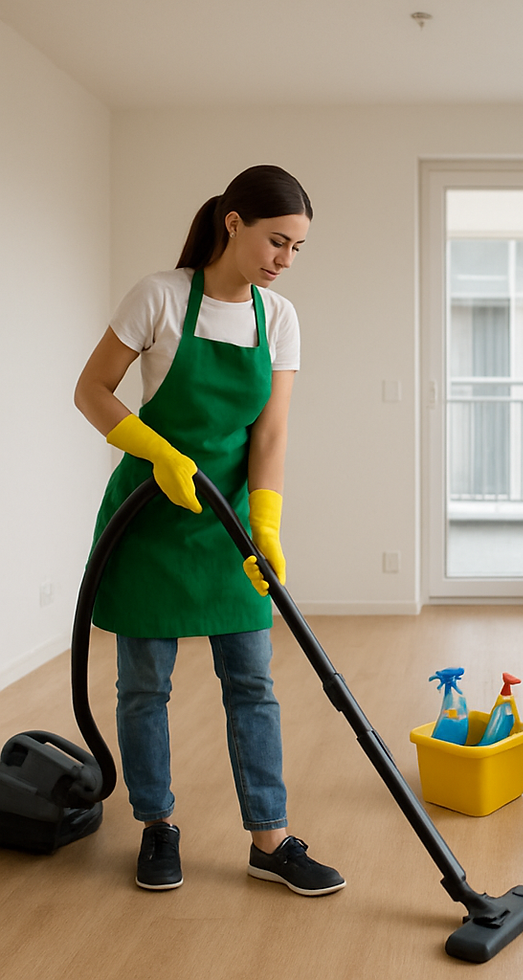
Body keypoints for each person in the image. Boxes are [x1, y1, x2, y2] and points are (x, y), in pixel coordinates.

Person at [74, 165, 345, 895]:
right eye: (276, 241)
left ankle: (270, 837)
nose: (285, 261)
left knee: (252, 683)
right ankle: (157, 827)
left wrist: (267, 524)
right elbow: (90, 390)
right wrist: (156, 451)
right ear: (234, 223)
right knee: (144, 688)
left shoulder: (277, 318)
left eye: (296, 249)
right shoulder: (159, 296)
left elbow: (271, 431)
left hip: (229, 525)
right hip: (150, 517)